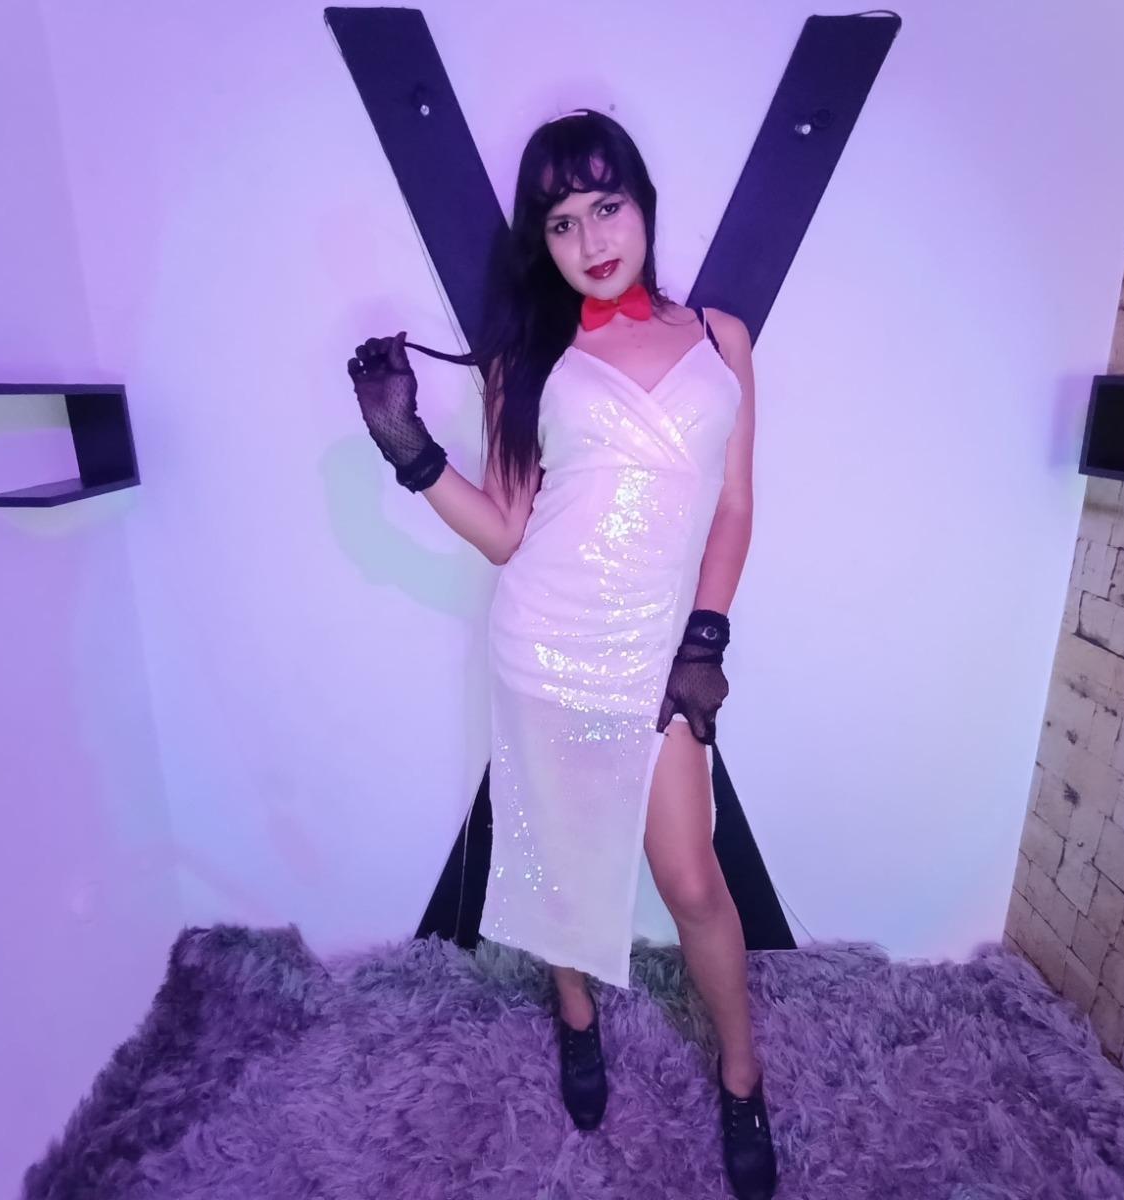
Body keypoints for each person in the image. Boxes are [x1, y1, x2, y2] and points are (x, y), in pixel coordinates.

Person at [347, 109, 773, 1199]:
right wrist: (408, 448)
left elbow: (732, 507)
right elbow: (506, 531)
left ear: (643, 205)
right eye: (562, 222)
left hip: (657, 657)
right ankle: (574, 1011)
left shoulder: (721, 337)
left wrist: (705, 637)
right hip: (546, 645)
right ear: (542, 242)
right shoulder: (526, 359)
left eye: (606, 206)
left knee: (691, 877)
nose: (590, 239)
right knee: (553, 853)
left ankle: (742, 1076)